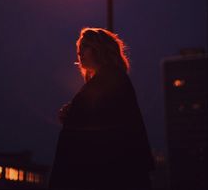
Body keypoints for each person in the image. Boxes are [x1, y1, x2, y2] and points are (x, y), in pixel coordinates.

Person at [49, 27, 155, 190]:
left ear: (99, 50)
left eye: (85, 47)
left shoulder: (109, 80)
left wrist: (73, 114)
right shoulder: (110, 80)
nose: (80, 53)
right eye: (79, 49)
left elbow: (101, 127)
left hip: (103, 174)